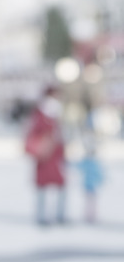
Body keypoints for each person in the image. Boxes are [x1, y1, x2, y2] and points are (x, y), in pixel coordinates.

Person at [25, 86, 66, 226]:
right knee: (43, 186)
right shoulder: (42, 114)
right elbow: (34, 133)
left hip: (54, 155)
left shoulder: (55, 114)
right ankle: (42, 216)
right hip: (45, 155)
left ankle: (58, 214)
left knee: (60, 185)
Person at [76, 143, 103, 223]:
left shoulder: (94, 164)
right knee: (88, 202)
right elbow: (78, 166)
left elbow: (99, 174)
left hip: (92, 187)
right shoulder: (86, 162)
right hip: (87, 186)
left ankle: (91, 215)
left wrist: (99, 180)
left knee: (92, 202)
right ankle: (88, 215)